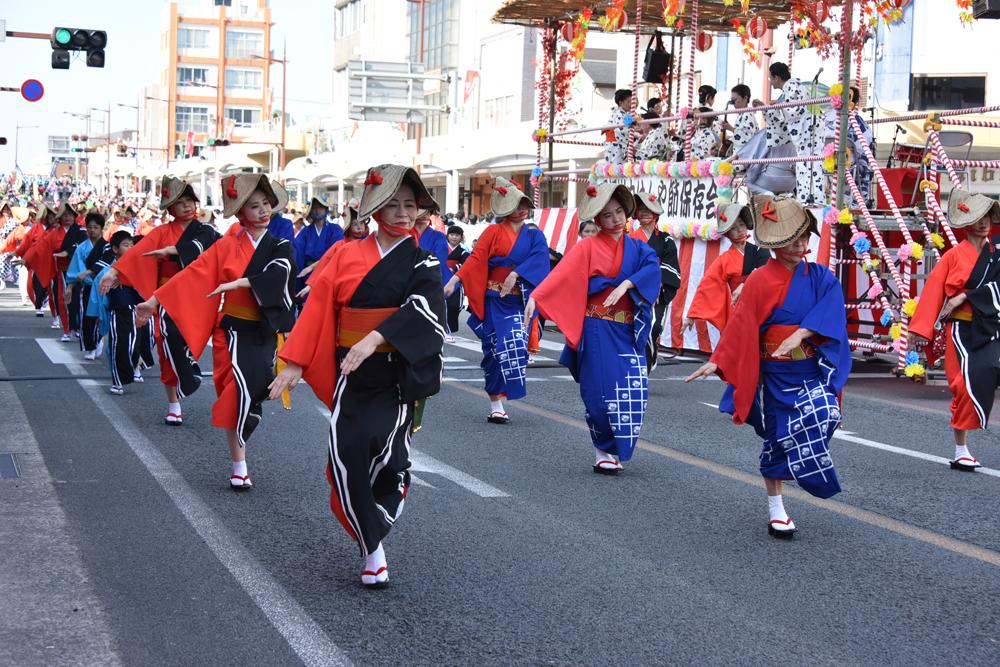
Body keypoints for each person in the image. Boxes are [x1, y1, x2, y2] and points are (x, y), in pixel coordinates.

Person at [270, 164, 446, 588]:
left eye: (411, 205)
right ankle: (373, 548)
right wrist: (294, 361)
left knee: (388, 460)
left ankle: (379, 524)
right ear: (375, 210)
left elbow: (425, 306)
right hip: (352, 374)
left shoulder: (424, 259)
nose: (405, 213)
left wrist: (376, 337)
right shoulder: (346, 254)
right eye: (395, 205)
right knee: (346, 461)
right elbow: (318, 309)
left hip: (396, 374)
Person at [686, 195, 851, 538]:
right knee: (777, 438)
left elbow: (832, 308)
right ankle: (777, 507)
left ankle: (803, 464)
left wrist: (803, 333)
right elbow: (741, 325)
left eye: (804, 237)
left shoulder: (821, 276)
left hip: (808, 368)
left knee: (827, 413)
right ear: (776, 245)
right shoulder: (760, 279)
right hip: (775, 374)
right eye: (793, 239)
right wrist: (717, 361)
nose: (801, 244)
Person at [136, 175, 296, 489]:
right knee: (235, 396)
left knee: (254, 396)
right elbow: (192, 274)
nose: (263, 211)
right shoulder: (225, 246)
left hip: (262, 332)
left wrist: (242, 283)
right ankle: (240, 465)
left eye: (266, 204)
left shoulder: (280, 245)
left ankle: (240, 446)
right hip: (231, 332)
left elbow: (281, 273)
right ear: (240, 214)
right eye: (254, 206)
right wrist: (154, 301)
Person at [525, 183, 660, 474]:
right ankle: (602, 449)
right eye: (608, 215)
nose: (616, 219)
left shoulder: (638, 247)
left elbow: (652, 268)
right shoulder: (587, 246)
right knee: (599, 395)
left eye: (620, 212)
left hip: (627, 331)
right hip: (597, 327)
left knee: (632, 391)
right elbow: (561, 275)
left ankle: (617, 447)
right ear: (597, 220)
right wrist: (536, 297)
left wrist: (627, 283)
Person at [98, 176, 221, 425]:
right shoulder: (161, 232)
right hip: (164, 297)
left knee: (187, 342)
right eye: (180, 202)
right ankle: (174, 404)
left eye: (190, 201)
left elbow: (208, 250)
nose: (187, 206)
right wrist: (112, 272)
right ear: (170, 209)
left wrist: (173, 252)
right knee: (165, 345)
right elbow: (135, 255)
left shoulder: (206, 231)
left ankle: (188, 370)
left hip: (195, 297)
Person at [443, 177, 550, 423]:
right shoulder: (492, 231)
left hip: (517, 300)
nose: (522, 209)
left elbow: (540, 259)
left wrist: (516, 273)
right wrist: (455, 280)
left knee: (516, 348)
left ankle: (504, 391)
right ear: (505, 209)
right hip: (493, 299)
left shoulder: (535, 235)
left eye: (524, 203)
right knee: (493, 350)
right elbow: (476, 259)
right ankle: (496, 402)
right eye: (516, 205)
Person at [909, 191, 1000, 471]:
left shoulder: (997, 254)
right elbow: (934, 291)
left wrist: (965, 296)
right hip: (960, 328)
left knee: (989, 373)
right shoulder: (952, 256)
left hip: (989, 327)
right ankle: (961, 448)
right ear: (967, 223)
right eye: (976, 218)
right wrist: (920, 330)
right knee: (961, 385)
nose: (983, 223)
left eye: (986, 217)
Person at [684, 203, 771, 333]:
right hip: (737, 311)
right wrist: (692, 315)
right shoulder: (725, 259)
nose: (740, 230)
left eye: (742, 224)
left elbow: (768, 273)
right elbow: (708, 284)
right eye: (734, 228)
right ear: (727, 233)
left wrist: (746, 284)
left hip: (761, 307)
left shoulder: (760, 249)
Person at [628, 192, 680, 370]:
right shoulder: (630, 239)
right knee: (637, 327)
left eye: (648, 210)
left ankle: (650, 354)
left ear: (656, 214)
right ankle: (643, 368)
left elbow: (670, 265)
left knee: (654, 327)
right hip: (634, 289)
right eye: (641, 210)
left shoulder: (665, 239)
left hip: (658, 290)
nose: (644, 213)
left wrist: (659, 284)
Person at [92, 231, 147, 394]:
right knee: (118, 345)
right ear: (115, 249)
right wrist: (99, 316)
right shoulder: (108, 270)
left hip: (137, 310)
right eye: (126, 245)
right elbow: (99, 294)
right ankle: (117, 382)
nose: (130, 248)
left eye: (132, 245)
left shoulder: (139, 266)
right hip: (118, 310)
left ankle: (134, 368)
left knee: (135, 345)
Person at [761, 62, 823, 204]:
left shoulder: (793, 87)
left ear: (777, 78)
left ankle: (811, 201)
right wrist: (770, 107)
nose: (770, 82)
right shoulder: (790, 89)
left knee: (809, 167)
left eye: (770, 78)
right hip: (805, 133)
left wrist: (774, 108)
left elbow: (793, 111)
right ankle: (808, 199)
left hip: (808, 132)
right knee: (806, 167)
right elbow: (786, 112)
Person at [823, 86, 873, 207]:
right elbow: (864, 149)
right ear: (855, 102)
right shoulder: (859, 123)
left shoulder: (824, 118)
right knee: (864, 161)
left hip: (825, 168)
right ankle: (859, 201)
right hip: (849, 170)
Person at [67, 212, 106, 359]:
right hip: (88, 287)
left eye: (96, 227)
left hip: (103, 287)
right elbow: (75, 269)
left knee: (101, 316)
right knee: (87, 317)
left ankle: (100, 339)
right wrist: (70, 287)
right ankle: (90, 347)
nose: (92, 231)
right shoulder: (82, 248)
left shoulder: (107, 247)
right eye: (89, 227)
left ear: (101, 228)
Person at [293, 196, 344, 297]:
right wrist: (297, 282)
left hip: (329, 274)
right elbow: (297, 257)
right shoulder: (305, 232)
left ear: (326, 209)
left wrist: (312, 267)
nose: (317, 210)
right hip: (307, 275)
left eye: (320, 207)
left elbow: (336, 253)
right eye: (315, 208)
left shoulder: (335, 229)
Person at [445, 225, 471, 336]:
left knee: (454, 306)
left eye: (457, 235)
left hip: (455, 281)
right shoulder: (441, 248)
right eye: (452, 234)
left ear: (461, 237)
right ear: (447, 235)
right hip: (440, 279)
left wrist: (455, 268)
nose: (454, 237)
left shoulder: (463, 252)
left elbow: (467, 264)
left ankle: (449, 330)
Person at [727, 84, 760, 157]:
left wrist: (731, 129)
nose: (733, 103)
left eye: (735, 100)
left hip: (745, 156)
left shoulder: (747, 114)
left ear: (745, 98)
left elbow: (746, 137)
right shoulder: (742, 114)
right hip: (740, 154)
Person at [603, 89, 633, 164]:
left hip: (616, 143)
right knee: (616, 169)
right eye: (628, 102)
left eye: (632, 101)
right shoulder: (619, 113)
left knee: (615, 169)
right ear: (620, 102)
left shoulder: (625, 114)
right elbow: (622, 129)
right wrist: (635, 130)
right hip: (615, 144)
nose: (631, 104)